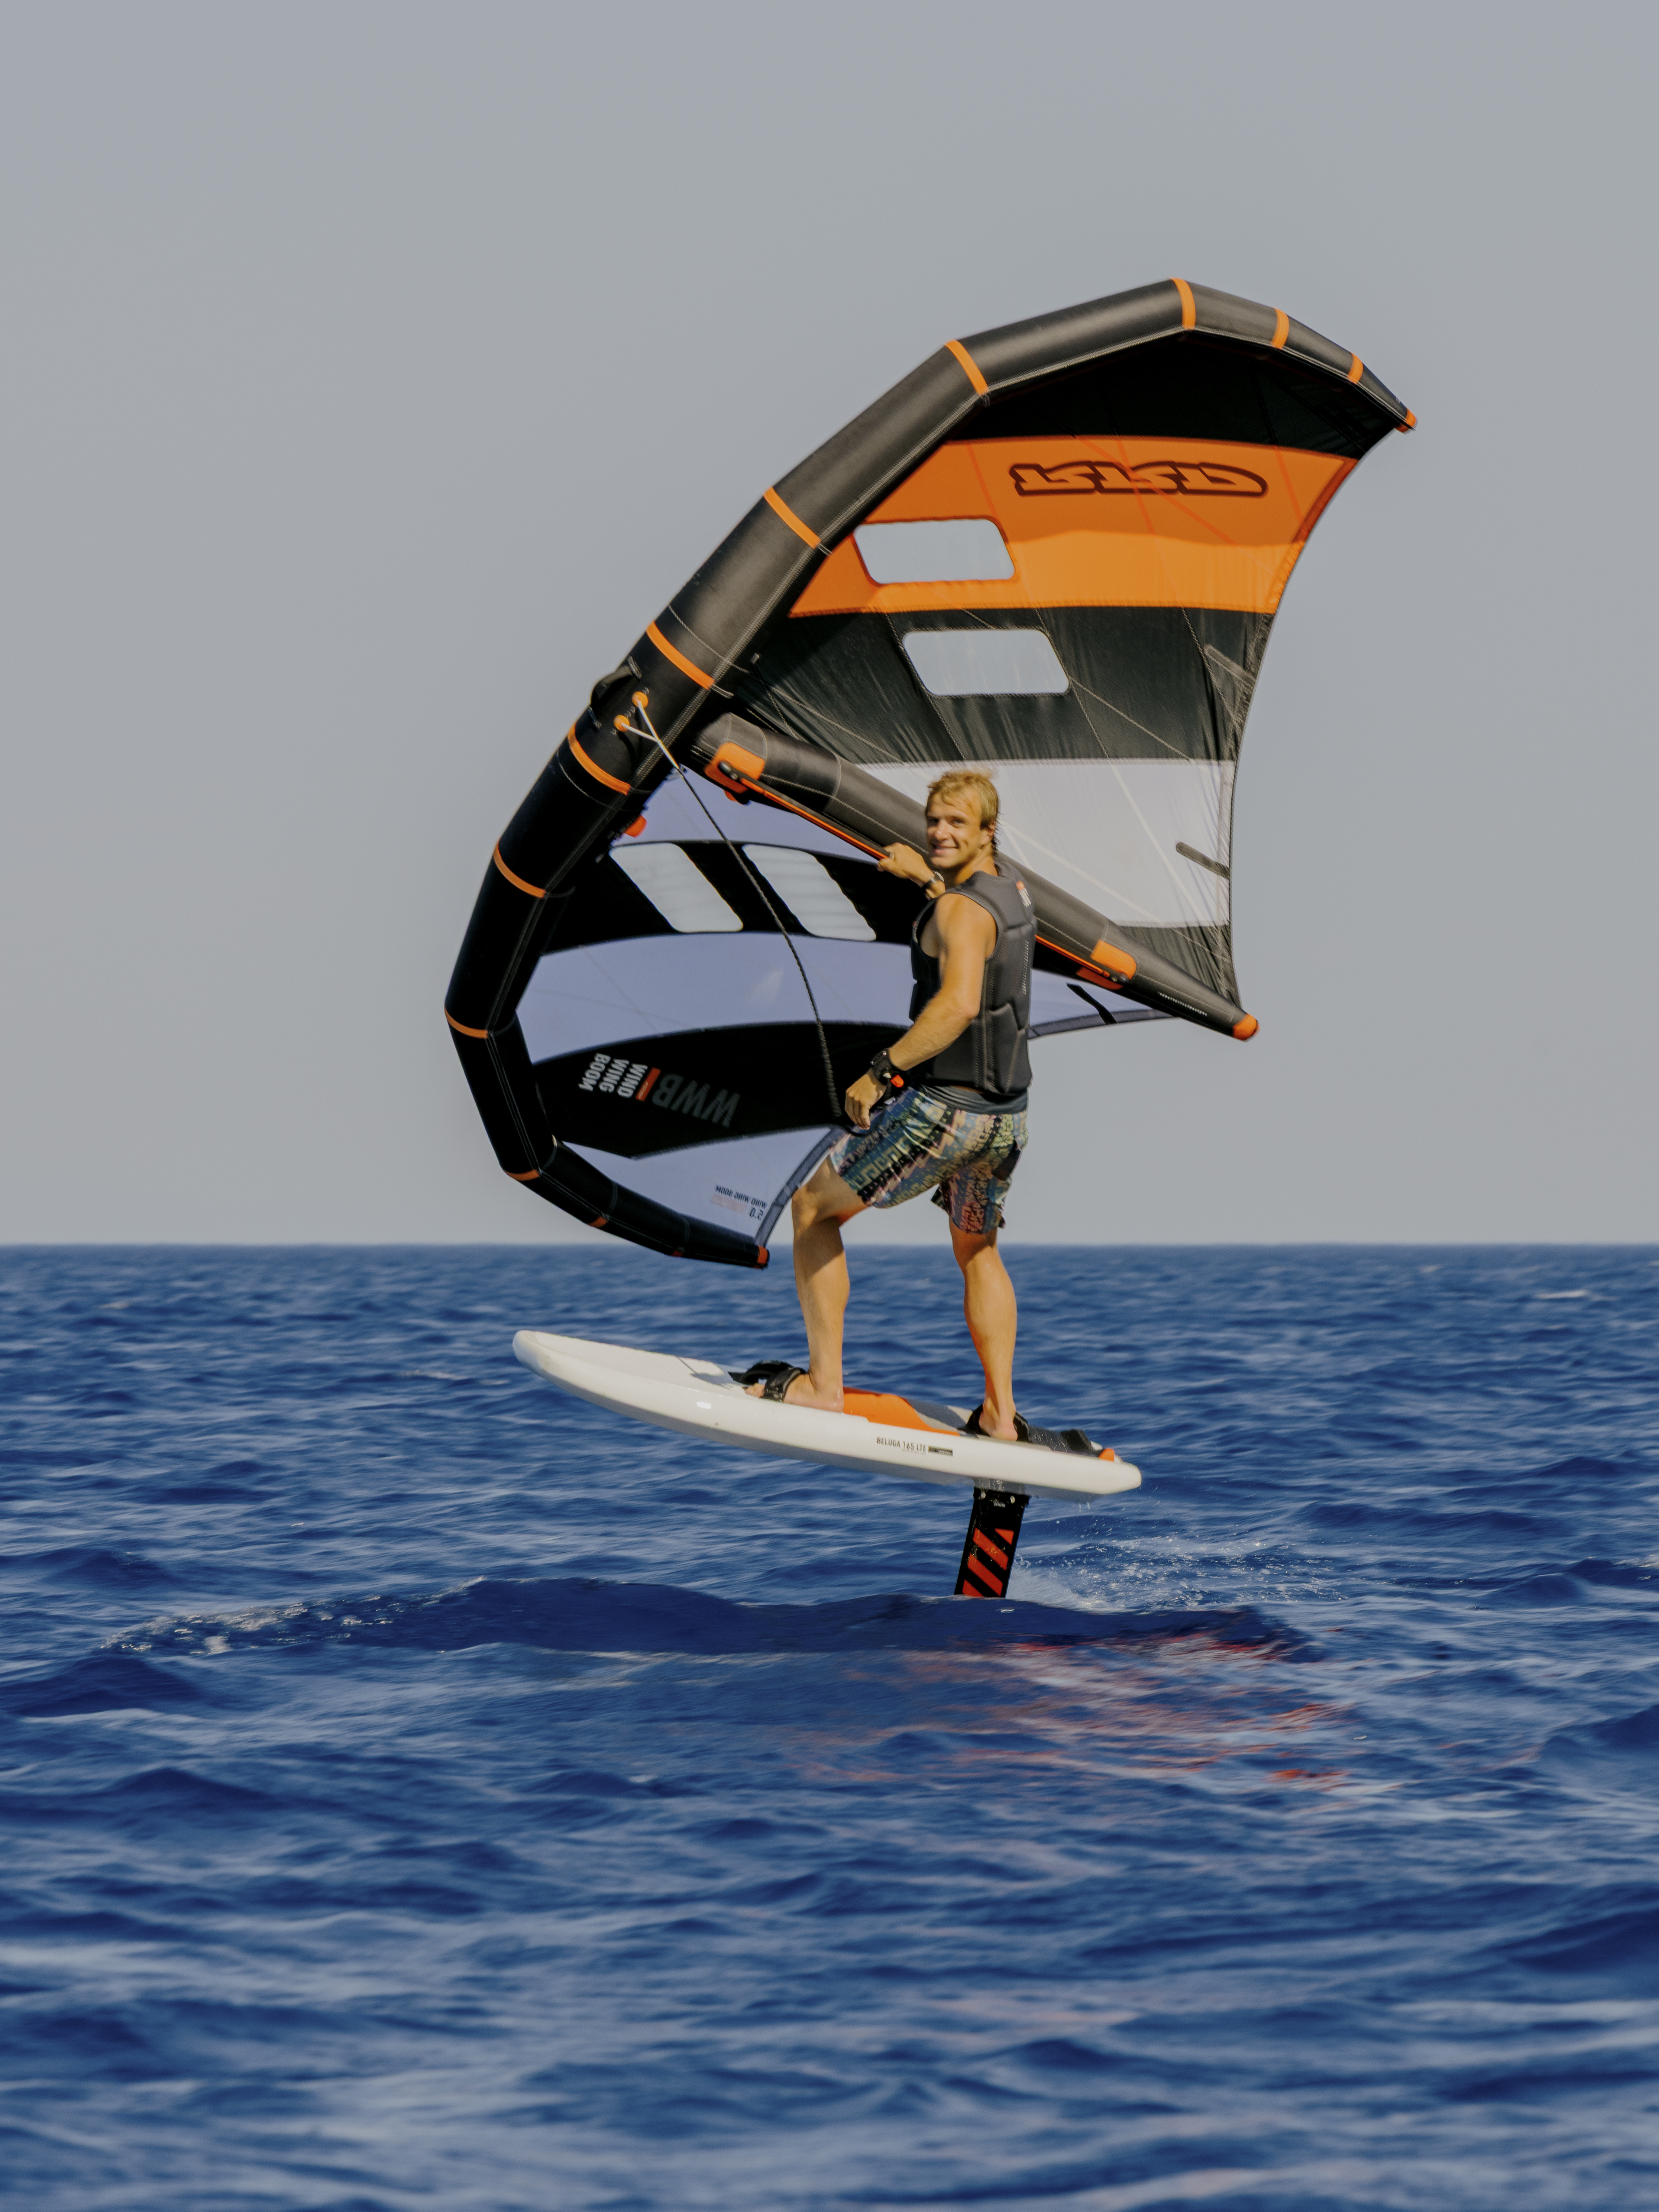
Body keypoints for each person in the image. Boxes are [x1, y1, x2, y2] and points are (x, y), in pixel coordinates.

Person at [745, 770, 1034, 1439]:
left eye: (957, 824)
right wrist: (928, 883)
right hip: (1005, 1120)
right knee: (978, 1248)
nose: (939, 831)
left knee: (813, 1209)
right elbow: (974, 933)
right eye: (934, 819)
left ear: (987, 832)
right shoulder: (1011, 894)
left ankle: (823, 1388)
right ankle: (999, 1414)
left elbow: (960, 1002)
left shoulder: (959, 910)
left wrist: (881, 1073)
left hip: (945, 1113)